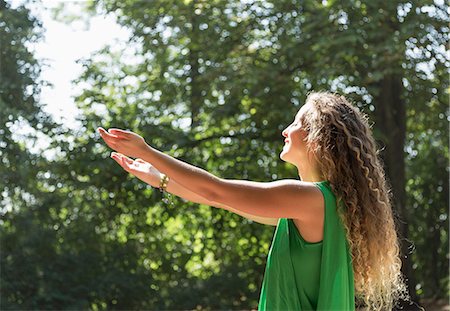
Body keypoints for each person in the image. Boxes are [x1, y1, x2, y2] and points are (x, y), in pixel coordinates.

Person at [98, 91, 409, 310]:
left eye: (296, 123)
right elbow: (224, 201)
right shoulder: (319, 206)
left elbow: (217, 190)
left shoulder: (310, 198)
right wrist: (160, 179)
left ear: (318, 139)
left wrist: (147, 151)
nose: (286, 131)